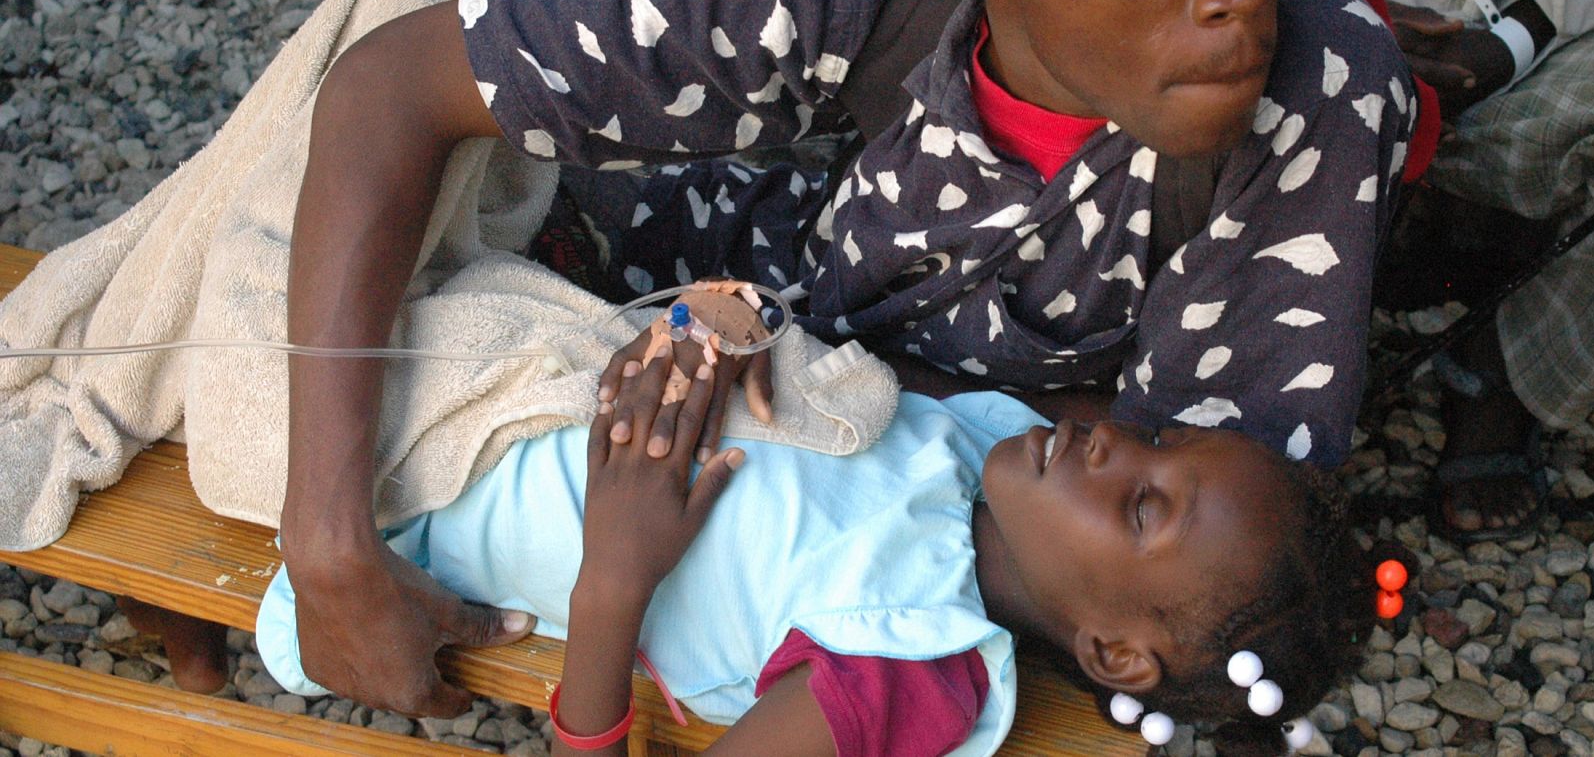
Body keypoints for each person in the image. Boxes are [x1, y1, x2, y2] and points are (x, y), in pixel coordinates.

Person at [278, 0, 1416, 717]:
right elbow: (393, 81)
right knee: (390, 59)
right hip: (776, 310)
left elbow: (1209, 556)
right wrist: (327, 536)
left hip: (950, 504)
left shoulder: (1315, 89)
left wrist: (785, 350)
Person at [256, 341, 1367, 757]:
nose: (1114, 442)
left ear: (1116, 654)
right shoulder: (984, 444)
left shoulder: (908, 660)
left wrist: (614, 580)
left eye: (1139, 506)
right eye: (1159, 439)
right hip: (496, 373)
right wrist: (722, 326)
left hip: (399, 528)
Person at [1214, 0, 1594, 543]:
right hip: (1285, 6)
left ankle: (1505, 373)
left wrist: (1504, 41)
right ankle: (1237, 392)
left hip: (1515, 31)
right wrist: (1337, 12)